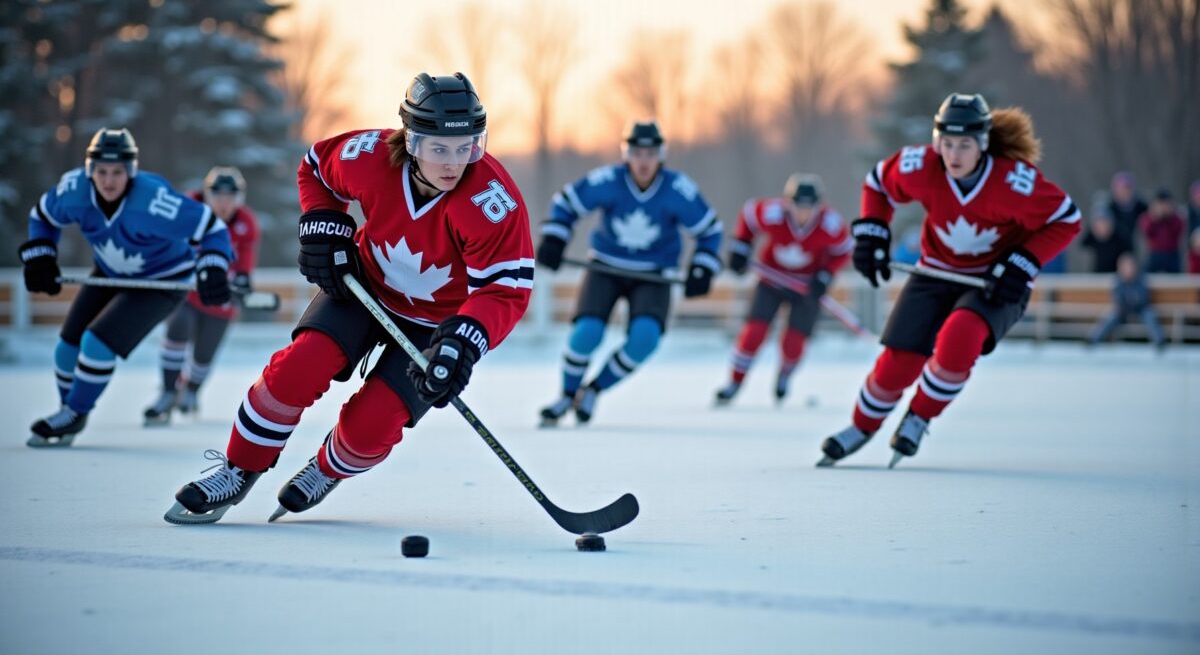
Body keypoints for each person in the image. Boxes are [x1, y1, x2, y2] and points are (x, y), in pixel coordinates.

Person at [164, 72, 533, 524]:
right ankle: (238, 469)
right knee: (296, 370)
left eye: (467, 147)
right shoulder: (370, 156)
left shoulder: (492, 201)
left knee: (373, 425)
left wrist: (466, 339)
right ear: (411, 141)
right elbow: (315, 167)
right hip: (362, 288)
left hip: (434, 325)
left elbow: (504, 290)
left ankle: (327, 468)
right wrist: (324, 224)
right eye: (439, 148)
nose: (454, 163)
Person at [819, 93, 1081, 467]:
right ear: (936, 140)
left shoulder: (1014, 183)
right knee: (898, 363)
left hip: (994, 282)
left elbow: (1067, 220)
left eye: (965, 145)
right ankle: (861, 426)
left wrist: (1023, 262)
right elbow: (877, 183)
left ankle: (919, 416)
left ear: (984, 144)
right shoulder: (921, 166)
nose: (954, 155)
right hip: (934, 273)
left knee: (960, 337)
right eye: (947, 143)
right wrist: (873, 231)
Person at [19, 128, 233, 447]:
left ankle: (76, 412)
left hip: (163, 281)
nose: (108, 181)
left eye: (117, 172)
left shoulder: (154, 201)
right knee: (66, 348)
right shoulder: (74, 191)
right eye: (101, 172)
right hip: (109, 272)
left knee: (96, 343)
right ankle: (68, 410)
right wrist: (41, 255)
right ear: (90, 170)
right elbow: (42, 217)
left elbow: (212, 228)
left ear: (130, 171)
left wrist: (213, 265)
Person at [535, 120, 723, 426]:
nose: (644, 161)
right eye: (637, 153)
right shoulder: (609, 180)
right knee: (587, 333)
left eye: (651, 153)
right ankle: (566, 396)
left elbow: (710, 230)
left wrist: (703, 267)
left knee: (645, 338)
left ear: (661, 156)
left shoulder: (677, 189)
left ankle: (593, 390)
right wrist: (555, 238)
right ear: (627, 154)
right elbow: (566, 203)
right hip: (605, 267)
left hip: (654, 274)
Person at [714, 173, 851, 405]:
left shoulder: (830, 224)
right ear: (788, 202)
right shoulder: (773, 213)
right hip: (771, 281)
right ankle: (734, 382)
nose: (803, 212)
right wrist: (741, 246)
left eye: (810, 207)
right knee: (754, 333)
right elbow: (748, 216)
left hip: (806, 287)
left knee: (794, 342)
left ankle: (785, 376)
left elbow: (844, 251)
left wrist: (825, 275)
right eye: (798, 205)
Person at [144, 166, 261, 425]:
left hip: (220, 297)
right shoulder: (189, 210)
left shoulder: (246, 222)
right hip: (187, 291)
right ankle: (167, 392)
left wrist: (243, 278)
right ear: (206, 195)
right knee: (177, 327)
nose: (223, 203)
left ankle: (192, 391)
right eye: (217, 196)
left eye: (230, 197)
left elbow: (246, 258)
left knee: (205, 352)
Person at [1087, 253, 1166, 350]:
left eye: (1130, 266)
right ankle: (1093, 340)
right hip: (1123, 312)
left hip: (1140, 310)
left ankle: (1159, 342)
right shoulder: (1118, 281)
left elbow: (1144, 298)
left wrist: (1133, 302)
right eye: (1125, 267)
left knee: (1149, 315)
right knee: (1110, 316)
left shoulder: (1141, 279)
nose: (1128, 269)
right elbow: (1117, 299)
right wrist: (1127, 303)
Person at [1140, 189, 1185, 273]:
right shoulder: (1147, 217)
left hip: (1172, 254)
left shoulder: (1177, 217)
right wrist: (1155, 217)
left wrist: (1170, 216)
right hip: (1154, 254)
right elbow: (1147, 231)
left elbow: (1178, 231)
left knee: (1177, 280)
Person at [1102, 171, 1147, 256]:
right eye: (1121, 188)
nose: (1124, 192)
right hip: (1113, 248)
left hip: (1134, 247)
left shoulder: (1141, 206)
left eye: (1127, 188)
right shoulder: (1108, 207)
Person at [1080, 201, 1127, 273]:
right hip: (1094, 278)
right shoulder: (1089, 239)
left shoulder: (1120, 238)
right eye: (1098, 223)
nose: (1102, 226)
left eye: (1104, 222)